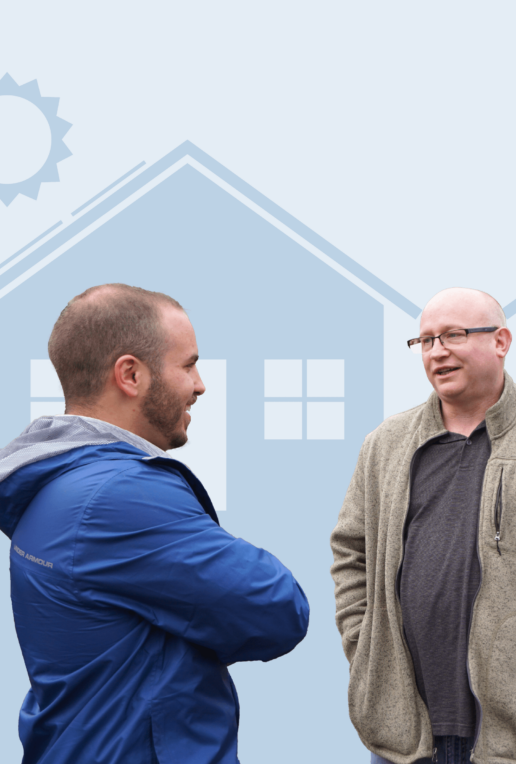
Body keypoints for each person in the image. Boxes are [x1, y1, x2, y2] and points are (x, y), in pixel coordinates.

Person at [1, 284, 309, 764]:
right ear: (130, 374)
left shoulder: (53, 483)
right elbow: (278, 610)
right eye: (188, 365)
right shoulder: (122, 495)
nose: (200, 384)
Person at [330, 287, 516, 764]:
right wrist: (364, 645)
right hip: (403, 733)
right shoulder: (385, 444)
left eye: (453, 335)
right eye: (425, 341)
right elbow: (351, 551)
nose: (437, 351)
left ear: (501, 341)